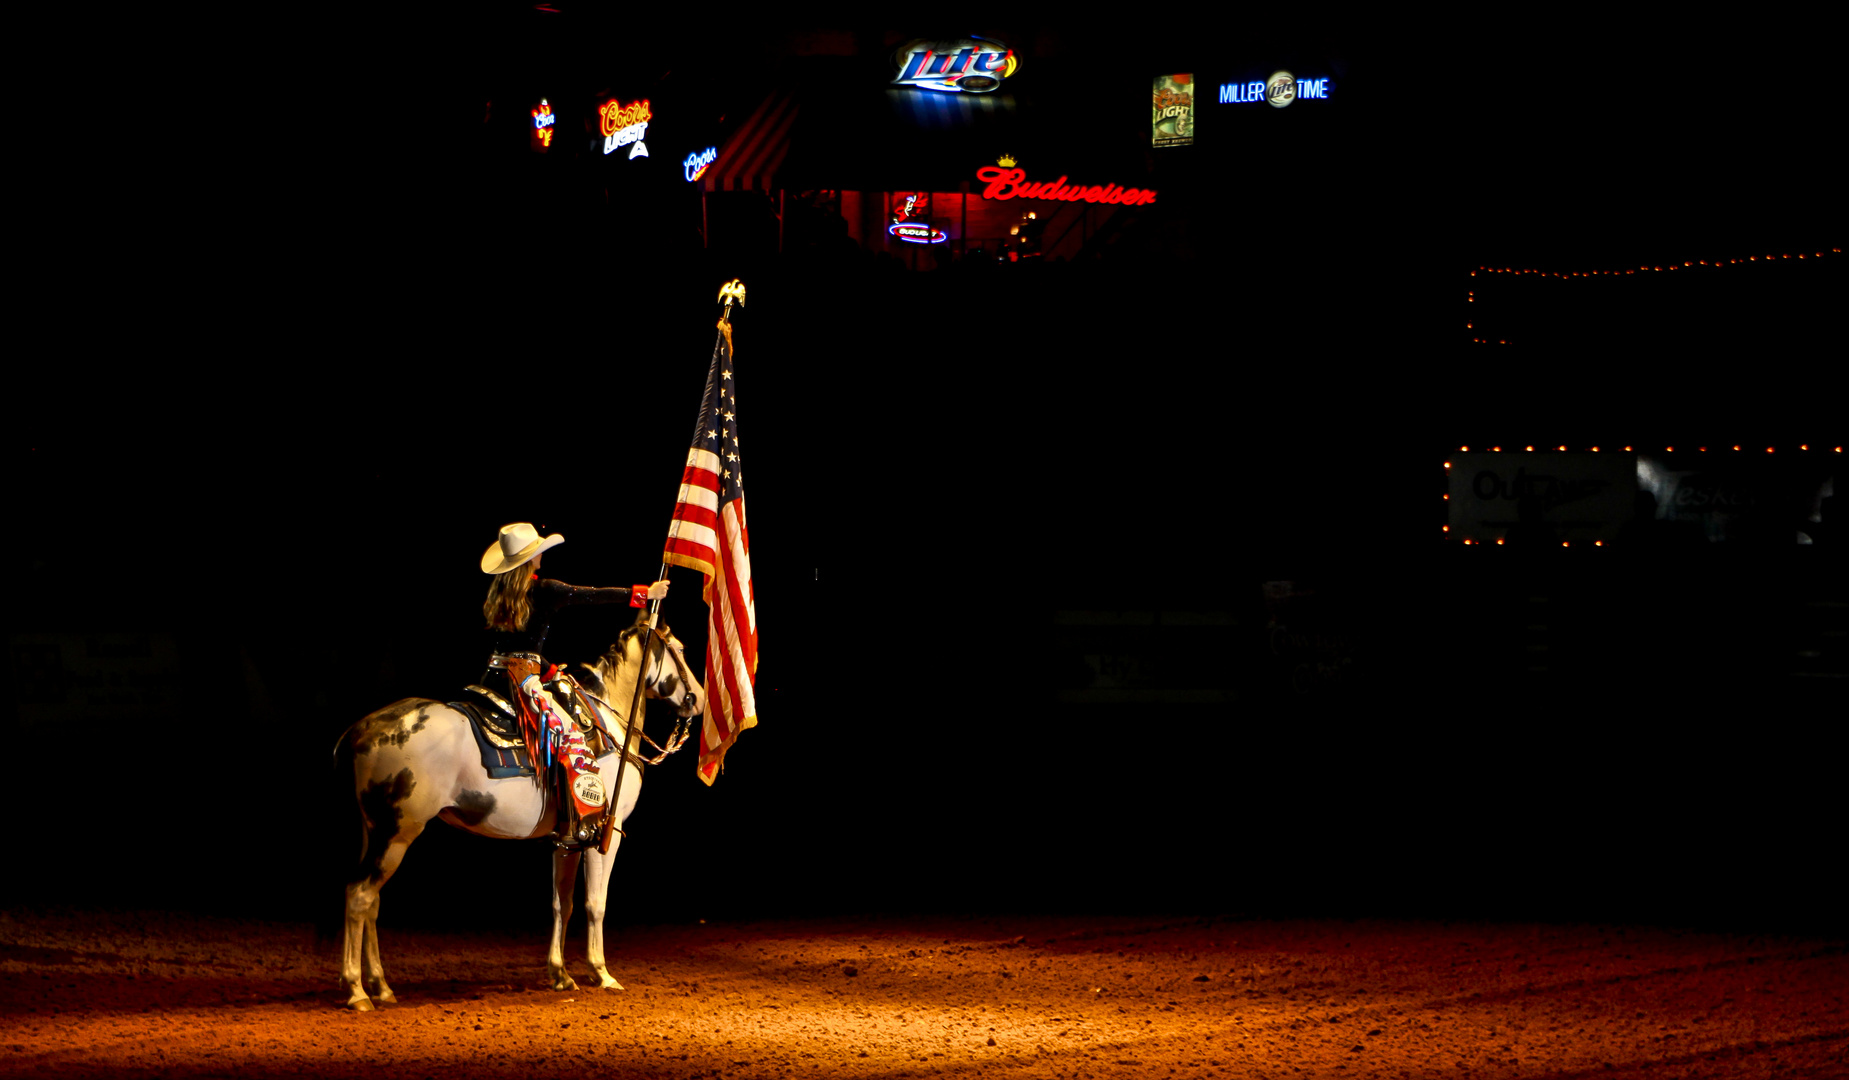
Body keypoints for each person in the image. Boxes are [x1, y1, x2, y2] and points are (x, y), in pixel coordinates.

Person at [478, 522, 668, 845]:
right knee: (571, 739)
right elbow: (591, 596)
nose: (541, 557)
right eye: (537, 553)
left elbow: (515, 648)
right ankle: (579, 819)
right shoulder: (544, 590)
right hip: (522, 684)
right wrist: (644, 594)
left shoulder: (500, 593)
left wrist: (550, 669)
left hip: (492, 678)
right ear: (530, 559)